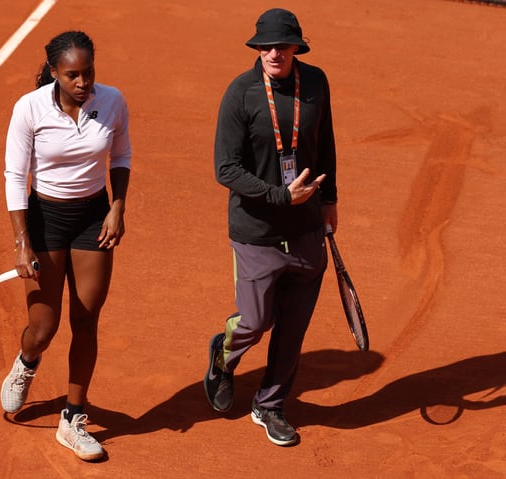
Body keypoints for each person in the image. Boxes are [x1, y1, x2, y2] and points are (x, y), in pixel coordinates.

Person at [204, 8, 338, 446]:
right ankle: (223, 357)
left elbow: (326, 146)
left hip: (306, 229)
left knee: (294, 326)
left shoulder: (315, 84)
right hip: (256, 230)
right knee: (256, 319)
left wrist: (329, 200)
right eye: (265, 46)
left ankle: (270, 404)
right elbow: (226, 168)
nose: (273, 52)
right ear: (257, 49)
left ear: (298, 47)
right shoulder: (240, 94)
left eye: (282, 45)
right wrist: (281, 196)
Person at [0, 30, 131, 461]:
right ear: (54, 73)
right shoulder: (30, 109)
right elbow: (16, 178)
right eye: (73, 74)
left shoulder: (111, 101)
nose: (83, 82)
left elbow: (121, 156)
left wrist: (117, 207)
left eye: (88, 72)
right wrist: (23, 244)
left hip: (93, 219)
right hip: (45, 221)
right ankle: (27, 361)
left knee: (87, 320)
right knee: (44, 327)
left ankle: (73, 418)